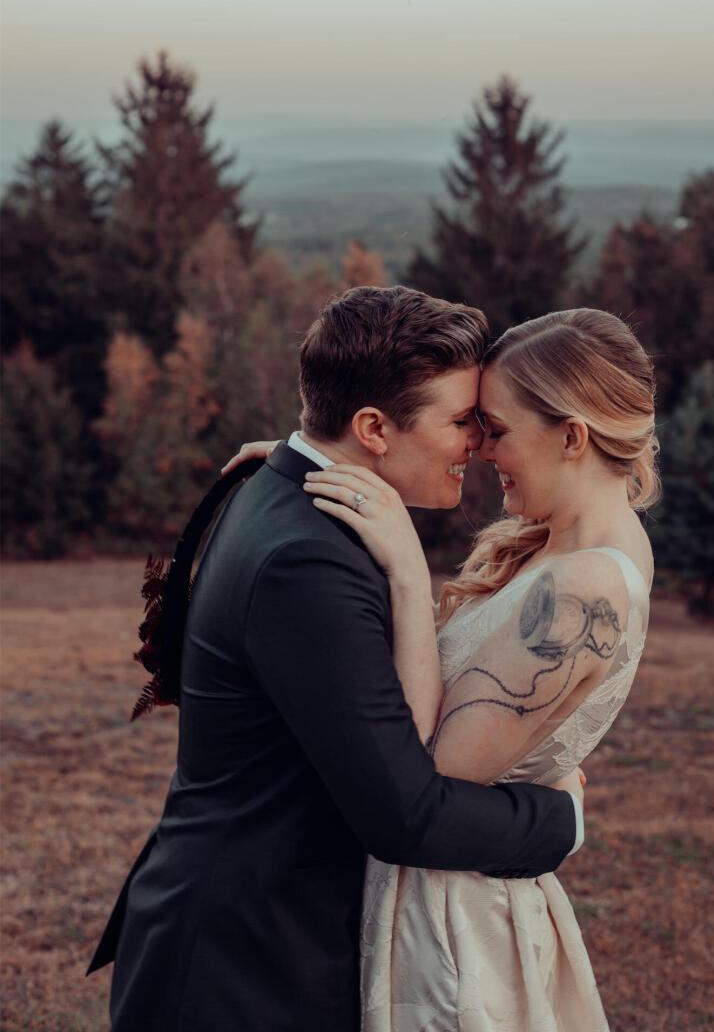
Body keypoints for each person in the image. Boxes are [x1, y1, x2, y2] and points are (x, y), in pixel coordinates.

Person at [87, 286, 584, 1032]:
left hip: (253, 943)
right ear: (373, 428)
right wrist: (559, 818)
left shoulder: (283, 487)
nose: (477, 445)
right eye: (459, 422)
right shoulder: (306, 563)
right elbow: (405, 815)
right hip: (241, 970)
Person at [290, 307, 658, 1030]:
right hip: (427, 894)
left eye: (497, 429)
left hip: (457, 927)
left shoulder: (586, 587)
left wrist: (404, 567)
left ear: (572, 436)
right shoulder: (552, 547)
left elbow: (427, 777)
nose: (483, 450)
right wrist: (307, 454)